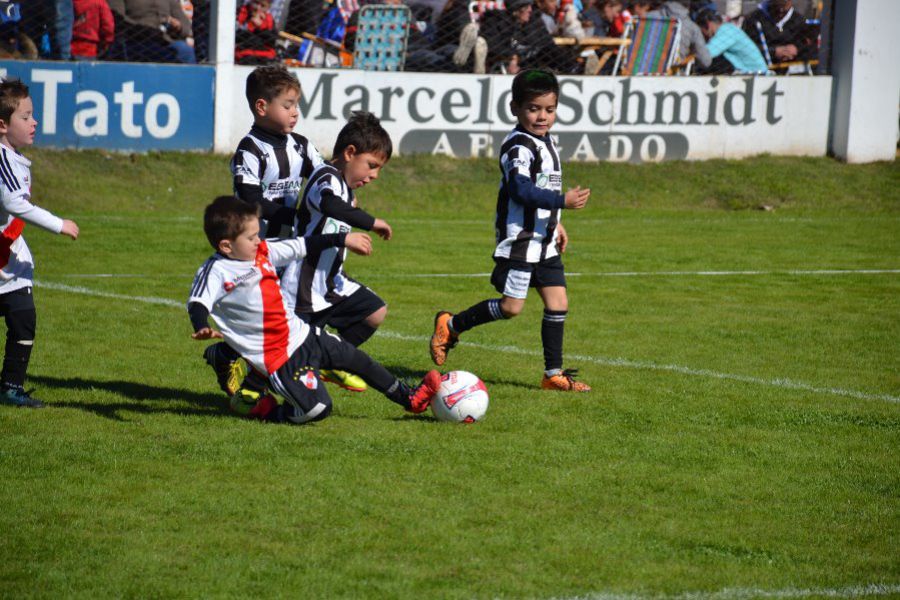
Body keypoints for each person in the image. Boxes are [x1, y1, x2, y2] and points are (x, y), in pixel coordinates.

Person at [188, 196, 442, 424]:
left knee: (356, 359)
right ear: (225, 246)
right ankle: (259, 409)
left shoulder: (263, 251)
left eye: (258, 235)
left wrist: (343, 238)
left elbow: (304, 244)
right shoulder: (216, 271)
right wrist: (201, 326)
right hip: (278, 359)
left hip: (303, 333)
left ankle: (411, 398)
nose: (258, 241)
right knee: (318, 409)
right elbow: (198, 302)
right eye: (251, 237)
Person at [430, 69, 592, 393]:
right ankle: (451, 325)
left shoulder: (546, 142)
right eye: (533, 108)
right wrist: (562, 200)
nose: (542, 116)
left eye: (549, 109)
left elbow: (541, 187)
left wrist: (554, 221)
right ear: (515, 108)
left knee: (558, 302)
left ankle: (553, 375)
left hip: (543, 240)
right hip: (520, 239)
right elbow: (520, 189)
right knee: (511, 308)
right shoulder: (518, 146)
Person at [203, 65, 326, 399]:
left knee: (288, 315)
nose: (295, 113)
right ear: (262, 107)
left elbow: (324, 177)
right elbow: (252, 201)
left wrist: (337, 196)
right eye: (287, 105)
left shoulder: (300, 146)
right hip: (256, 250)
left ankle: (237, 364)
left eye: (296, 105)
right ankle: (251, 373)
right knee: (267, 319)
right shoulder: (250, 150)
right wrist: (299, 213)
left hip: (291, 247)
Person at [279, 112, 394, 394]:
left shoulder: (344, 186)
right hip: (305, 284)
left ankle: (330, 361)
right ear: (349, 152)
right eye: (371, 165)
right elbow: (332, 206)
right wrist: (369, 222)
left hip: (331, 282)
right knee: (288, 349)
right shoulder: (325, 178)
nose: (374, 175)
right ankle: (246, 382)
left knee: (375, 311)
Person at [0, 79, 80, 408]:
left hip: (9, 258)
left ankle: (10, 388)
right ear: (3, 125)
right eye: (26, 116)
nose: (34, 122)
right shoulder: (3, 159)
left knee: (23, 318)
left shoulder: (12, 156)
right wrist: (59, 224)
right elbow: (16, 204)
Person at [478, 0, 578, 74]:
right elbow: (491, 45)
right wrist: (512, 56)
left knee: (550, 50)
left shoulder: (534, 22)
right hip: (506, 63)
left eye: (530, 6)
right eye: (526, 7)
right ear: (517, 10)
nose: (530, 10)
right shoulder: (496, 20)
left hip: (532, 63)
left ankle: (575, 68)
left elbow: (548, 43)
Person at [630, 0, 711, 71]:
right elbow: (706, 61)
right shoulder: (691, 27)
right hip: (670, 75)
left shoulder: (645, 18)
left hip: (637, 70)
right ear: (688, 6)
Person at [106, 0, 195, 63]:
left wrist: (177, 26)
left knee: (185, 51)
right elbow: (118, 18)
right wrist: (145, 30)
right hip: (134, 40)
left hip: (165, 40)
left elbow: (185, 25)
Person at [741, 0, 815, 65]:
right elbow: (746, 47)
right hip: (763, 67)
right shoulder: (754, 19)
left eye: (784, 5)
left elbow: (807, 43)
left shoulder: (799, 21)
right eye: (777, 6)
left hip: (793, 67)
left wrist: (796, 48)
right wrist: (774, 51)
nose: (781, 11)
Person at [696, 9, 767, 74]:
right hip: (751, 74)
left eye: (700, 31)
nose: (701, 36)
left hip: (757, 76)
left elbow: (705, 54)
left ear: (708, 25)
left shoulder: (726, 31)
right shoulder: (728, 29)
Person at [235, 0, 278, 65]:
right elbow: (237, 36)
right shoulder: (241, 13)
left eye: (262, 6)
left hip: (264, 53)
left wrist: (260, 26)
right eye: (256, 3)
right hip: (244, 53)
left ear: (268, 7)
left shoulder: (269, 19)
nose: (258, 8)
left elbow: (272, 41)